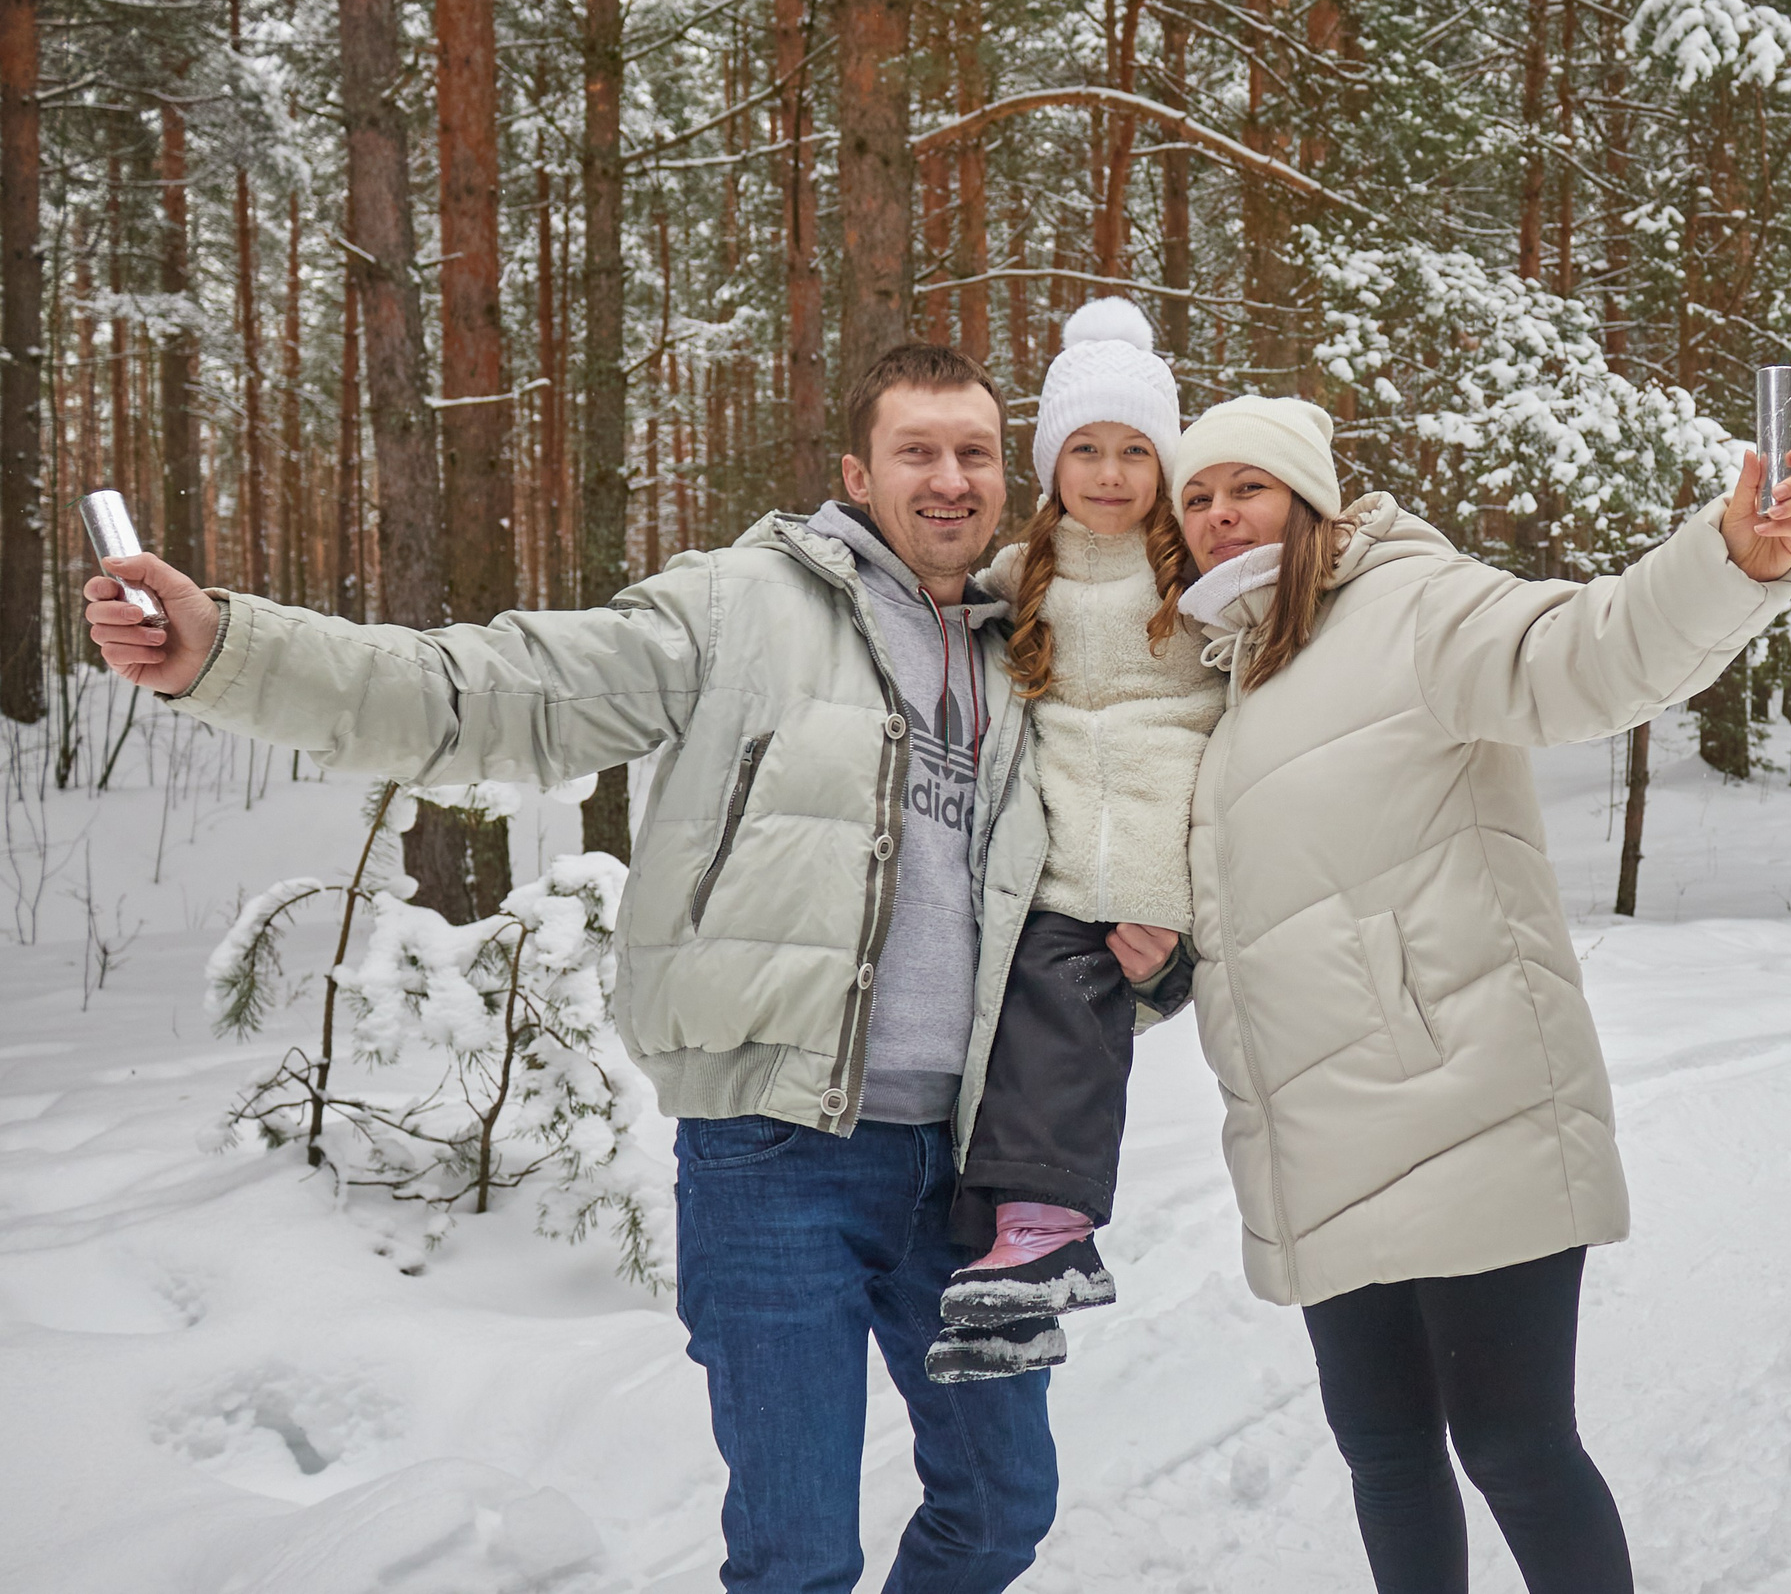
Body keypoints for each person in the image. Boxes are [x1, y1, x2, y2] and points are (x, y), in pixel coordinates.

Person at [78, 343, 1174, 1594]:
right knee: (796, 1554)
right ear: (855, 475)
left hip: (977, 1164)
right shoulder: (740, 606)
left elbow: (1100, 864)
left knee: (1000, 1511)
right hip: (777, 1155)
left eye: (973, 452)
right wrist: (227, 650)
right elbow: (494, 693)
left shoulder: (1028, 655)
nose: (949, 478)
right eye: (915, 450)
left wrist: (1151, 961)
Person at [1163, 396, 1791, 1594]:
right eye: (1197, 497)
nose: (1219, 514)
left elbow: (1583, 650)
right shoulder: (1226, 678)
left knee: (1515, 1448)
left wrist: (1726, 561)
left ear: (1309, 501)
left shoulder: (1409, 606)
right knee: (1384, 1455)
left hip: (1466, 1103)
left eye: (1246, 487)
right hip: (1317, 1139)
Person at [925, 297, 1221, 1380]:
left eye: (1134, 451)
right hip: (1051, 857)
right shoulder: (1022, 574)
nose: (1109, 473)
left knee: (1058, 1016)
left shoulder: (1196, 574)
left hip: (1151, 855)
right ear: (1051, 463)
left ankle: (1054, 1231)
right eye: (1084, 450)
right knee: (1007, 1035)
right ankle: (1013, 1279)